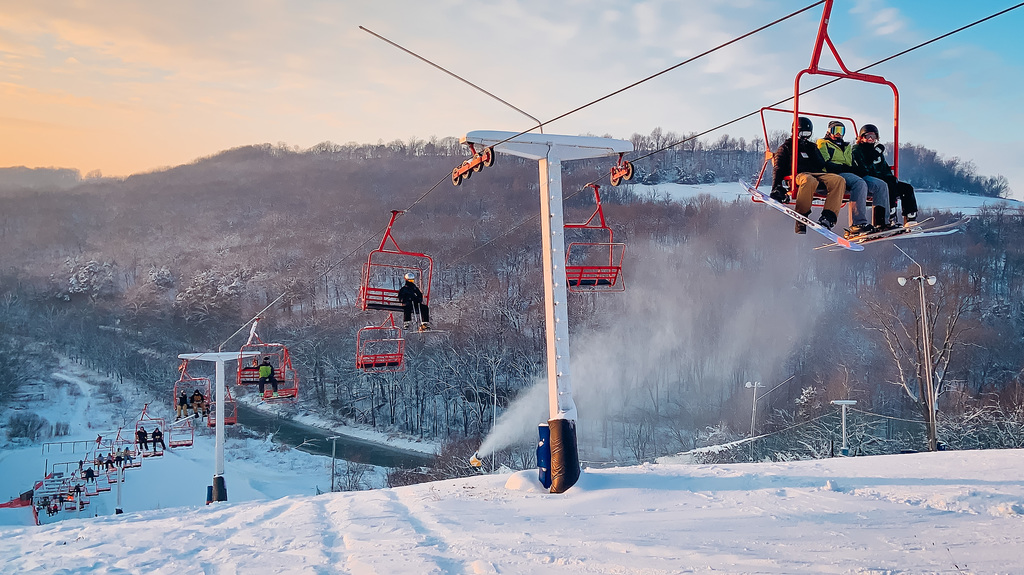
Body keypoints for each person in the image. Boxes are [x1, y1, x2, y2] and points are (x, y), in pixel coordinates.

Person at [770, 116, 847, 234]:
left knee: (838, 180)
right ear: (795, 131)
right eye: (803, 133)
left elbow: (821, 163)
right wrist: (776, 187)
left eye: (808, 134)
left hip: (816, 173)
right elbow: (778, 167)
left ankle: (828, 217)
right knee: (809, 180)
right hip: (798, 175)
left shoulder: (811, 147)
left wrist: (814, 151)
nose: (805, 137)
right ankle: (802, 216)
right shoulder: (787, 147)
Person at [817, 120, 891, 238]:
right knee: (859, 183)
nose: (838, 134)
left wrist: (857, 169)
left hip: (849, 173)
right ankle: (857, 224)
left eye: (841, 131)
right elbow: (824, 161)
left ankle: (881, 223)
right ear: (829, 131)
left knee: (880, 185)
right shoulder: (823, 143)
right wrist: (842, 167)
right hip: (835, 173)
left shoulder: (846, 146)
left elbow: (852, 163)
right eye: (835, 130)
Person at [853, 123, 919, 227]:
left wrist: (890, 176)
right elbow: (863, 168)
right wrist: (872, 156)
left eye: (873, 136)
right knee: (887, 186)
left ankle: (910, 218)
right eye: (867, 136)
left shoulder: (877, 151)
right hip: (869, 180)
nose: (870, 139)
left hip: (883, 178)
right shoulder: (857, 150)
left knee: (907, 188)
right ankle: (889, 217)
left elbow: (884, 167)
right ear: (861, 137)